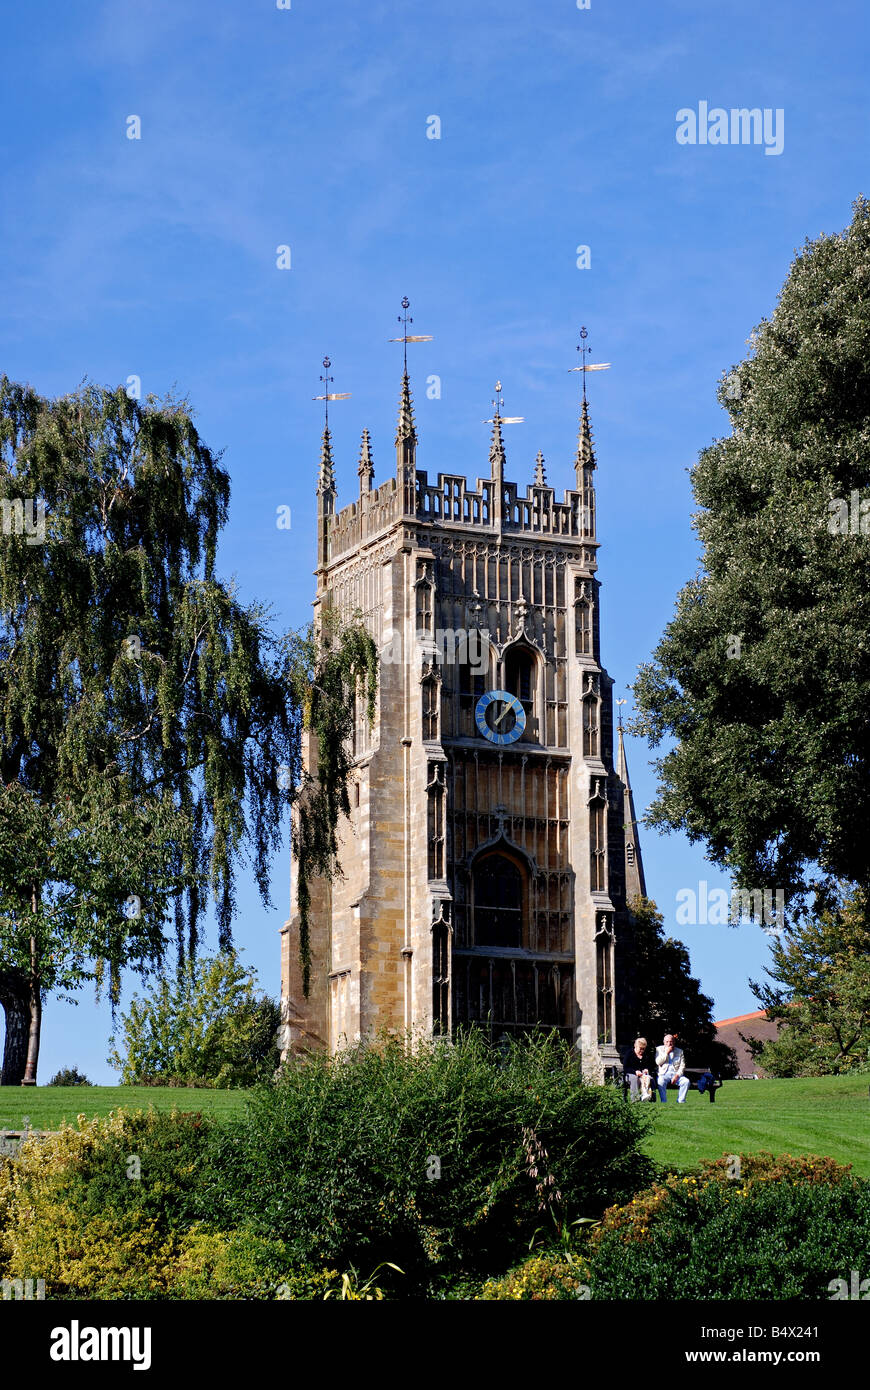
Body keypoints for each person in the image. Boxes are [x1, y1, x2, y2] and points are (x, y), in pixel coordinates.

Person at [656, 1032, 690, 1102]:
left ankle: (681, 1101)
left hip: (676, 1074)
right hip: (664, 1074)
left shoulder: (680, 1051)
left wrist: (677, 1076)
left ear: (674, 1042)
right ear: (664, 1042)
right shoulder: (659, 1049)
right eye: (667, 1042)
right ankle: (664, 1101)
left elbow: (682, 1066)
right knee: (660, 1081)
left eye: (671, 1041)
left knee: (686, 1081)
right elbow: (658, 1062)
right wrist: (666, 1053)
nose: (669, 1044)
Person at [620, 1036, 656, 1101]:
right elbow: (625, 1067)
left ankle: (649, 1097)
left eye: (643, 1049)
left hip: (643, 1075)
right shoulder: (629, 1054)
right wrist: (635, 1072)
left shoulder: (647, 1054)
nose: (642, 1051)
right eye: (640, 1048)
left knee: (650, 1079)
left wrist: (647, 1069)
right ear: (635, 1046)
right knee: (634, 1078)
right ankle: (635, 1099)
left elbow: (652, 1065)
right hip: (630, 1074)